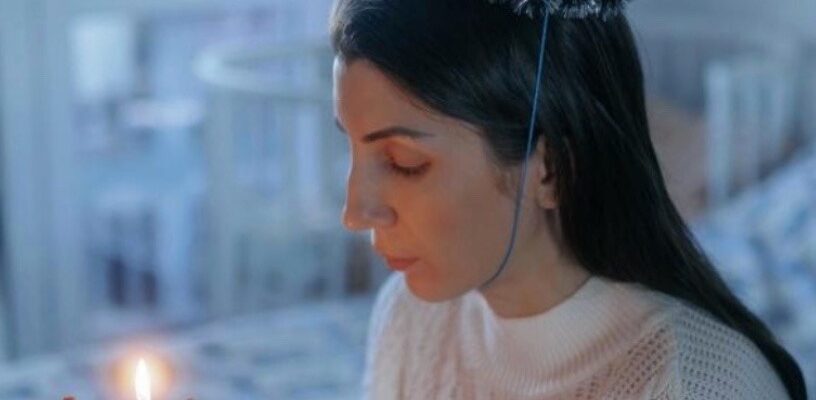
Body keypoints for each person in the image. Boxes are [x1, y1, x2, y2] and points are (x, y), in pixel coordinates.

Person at [329, 0, 807, 398]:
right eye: (350, 147)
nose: (353, 213)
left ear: (552, 168)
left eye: (404, 162)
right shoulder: (411, 319)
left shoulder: (702, 384)